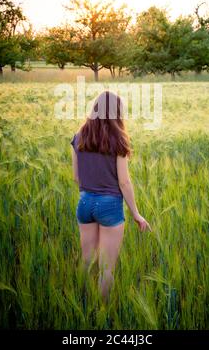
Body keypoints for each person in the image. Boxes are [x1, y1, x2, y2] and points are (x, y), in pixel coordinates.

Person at [70, 90, 151, 302]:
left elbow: (76, 177)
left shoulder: (78, 137)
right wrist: (136, 214)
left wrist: (92, 190)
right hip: (110, 206)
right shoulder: (119, 140)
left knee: (86, 261)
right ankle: (103, 312)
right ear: (117, 112)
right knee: (106, 269)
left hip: (85, 203)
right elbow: (124, 182)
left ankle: (81, 301)